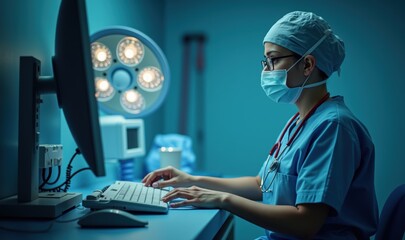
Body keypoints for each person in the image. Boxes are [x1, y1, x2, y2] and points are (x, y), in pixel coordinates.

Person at [142, 11, 379, 239]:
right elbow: (260, 184)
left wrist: (223, 199)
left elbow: (306, 222)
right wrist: (191, 179)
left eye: (274, 60)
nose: (266, 70)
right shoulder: (300, 121)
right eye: (264, 61)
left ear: (307, 64)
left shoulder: (333, 127)